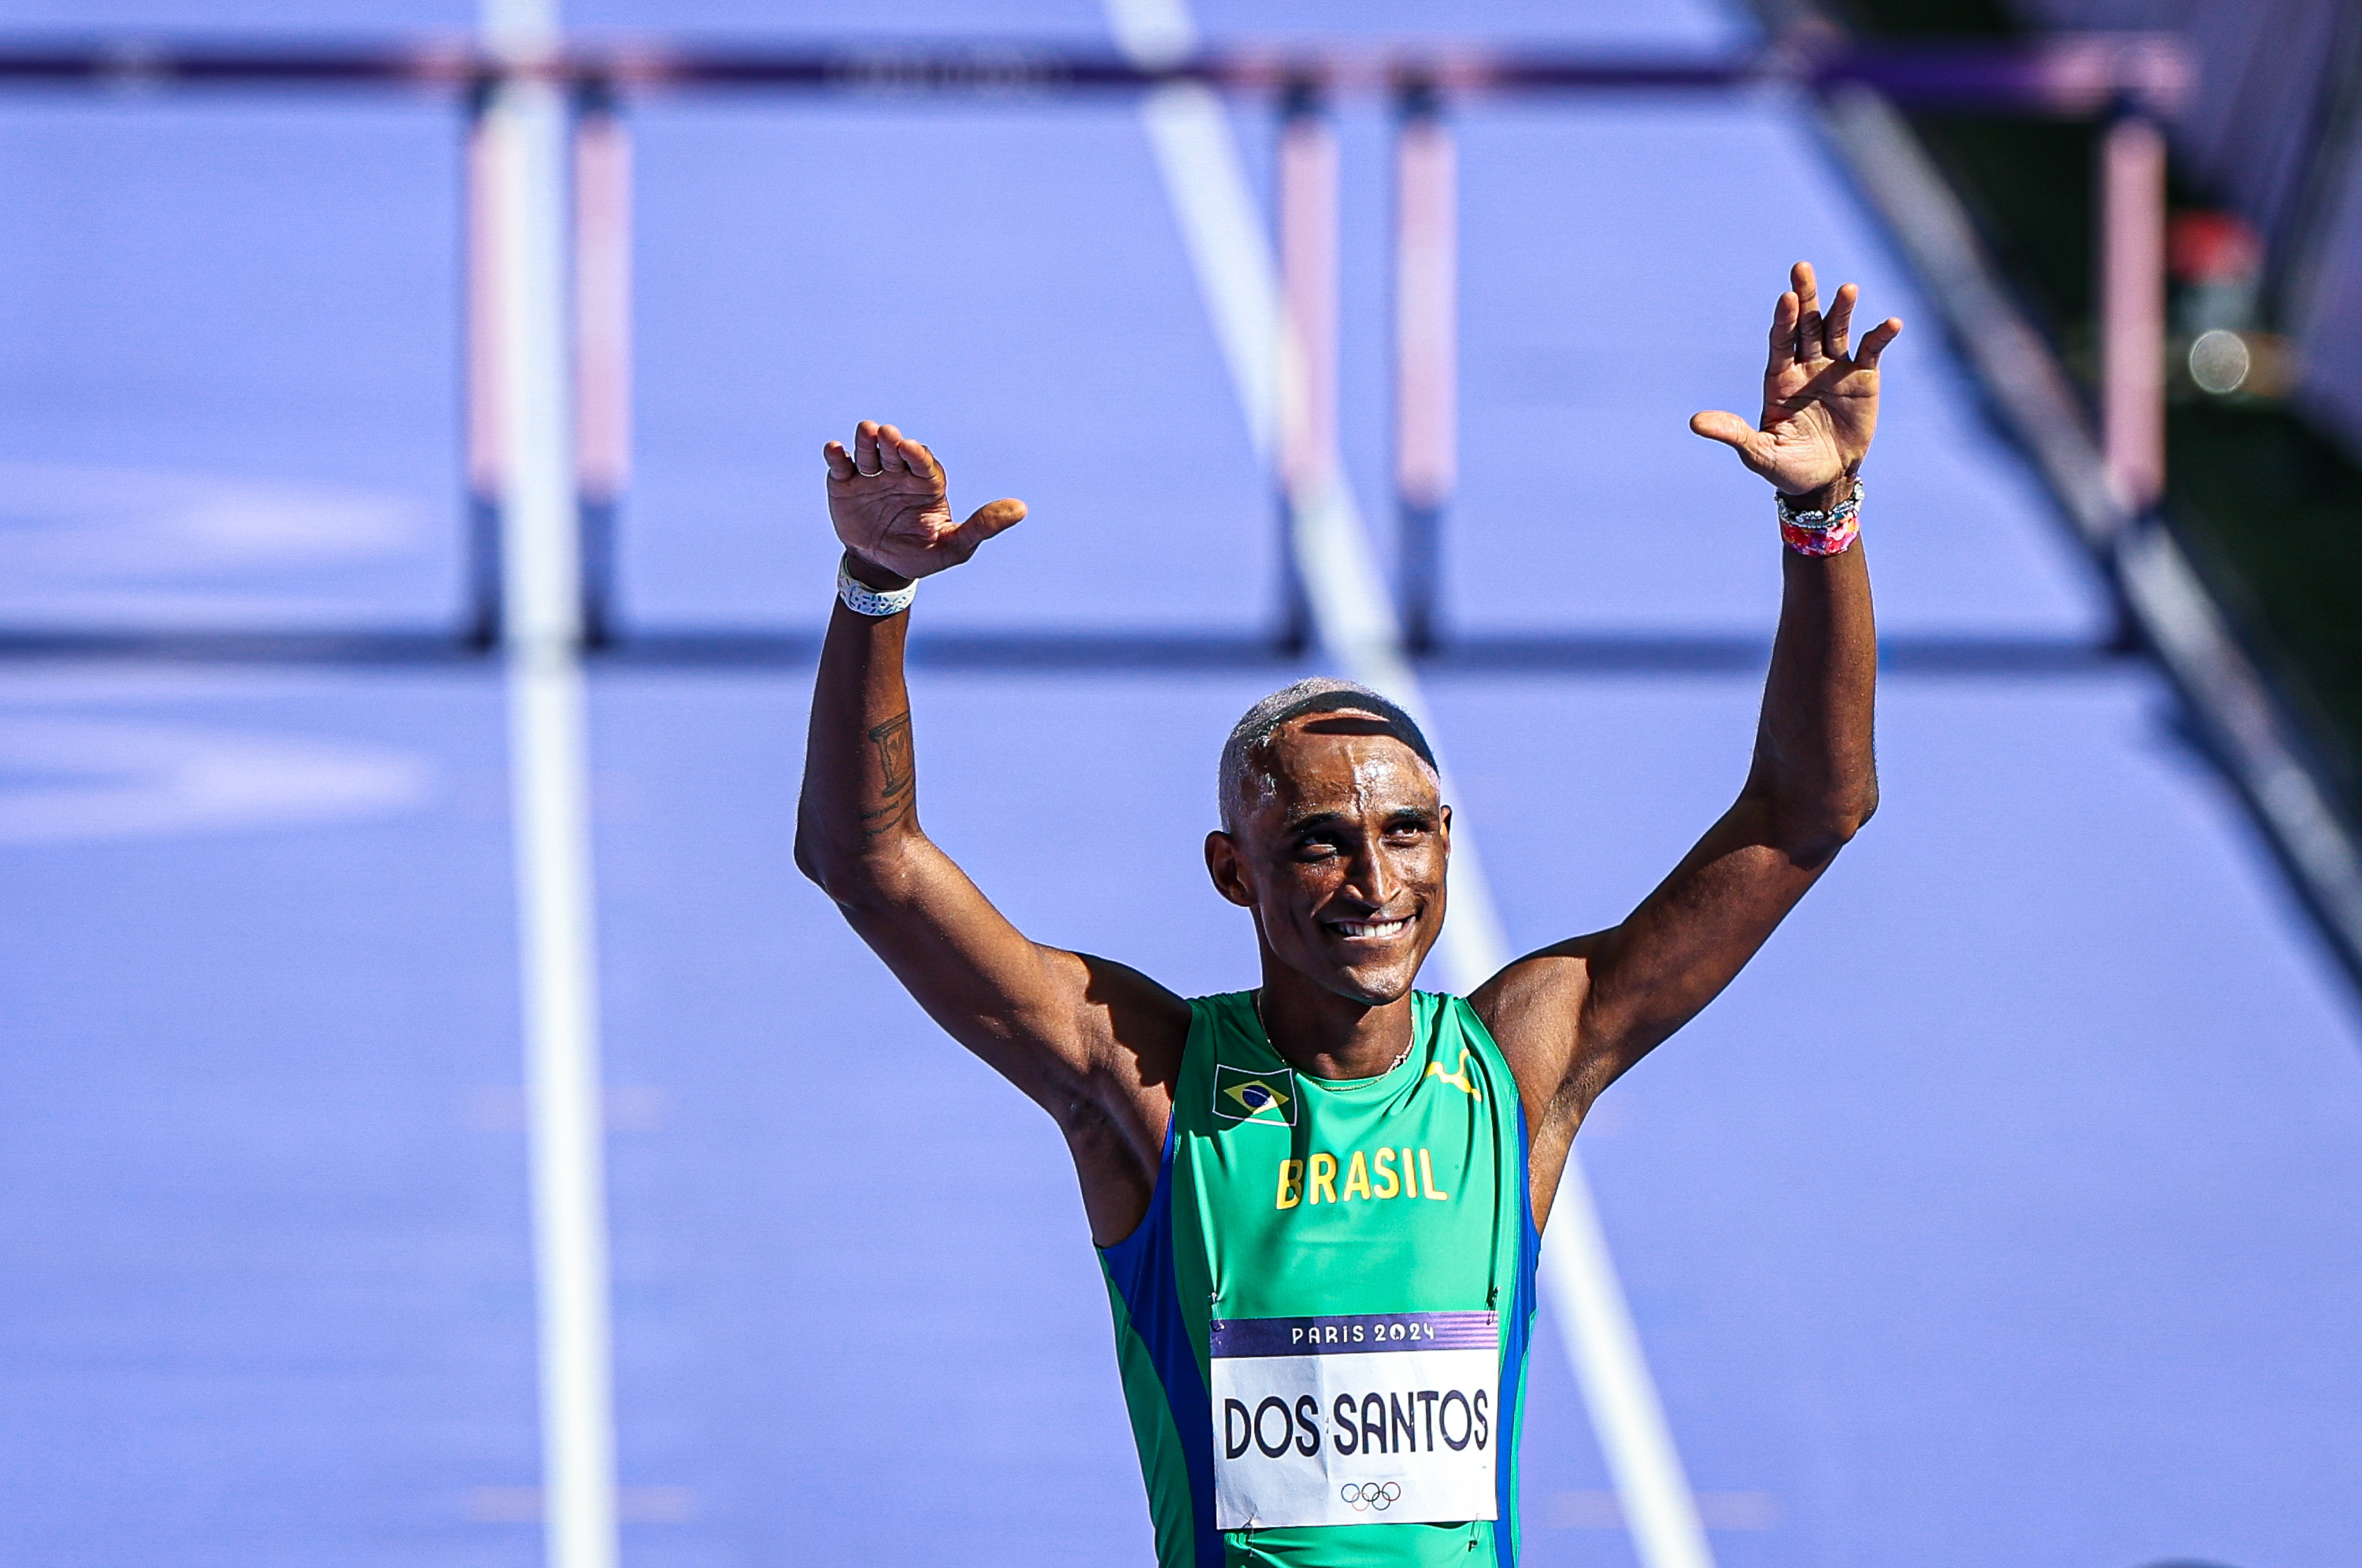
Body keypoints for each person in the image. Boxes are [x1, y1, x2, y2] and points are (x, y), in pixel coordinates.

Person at [796, 261, 1897, 1567]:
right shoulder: (1144, 1081)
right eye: (1317, 844)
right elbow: (868, 865)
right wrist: (876, 589)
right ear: (1232, 870)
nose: (1375, 885)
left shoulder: (1522, 1065)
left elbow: (1805, 815)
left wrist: (1823, 510)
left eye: (1405, 834)